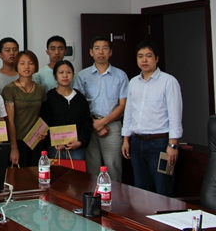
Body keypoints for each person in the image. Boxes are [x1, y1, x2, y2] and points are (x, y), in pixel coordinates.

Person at [121, 41, 183, 197]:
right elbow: (129, 112)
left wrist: (173, 145)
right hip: (136, 142)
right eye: (140, 56)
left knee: (163, 188)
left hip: (159, 143)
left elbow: (175, 114)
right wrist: (126, 139)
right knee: (141, 189)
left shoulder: (168, 81)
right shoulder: (133, 82)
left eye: (148, 56)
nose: (144, 60)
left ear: (157, 59)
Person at [74, 36, 128, 181]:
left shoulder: (120, 75)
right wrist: (94, 123)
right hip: (89, 125)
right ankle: (95, 196)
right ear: (91, 52)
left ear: (110, 52)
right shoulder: (83, 75)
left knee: (113, 168)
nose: (101, 52)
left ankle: (114, 195)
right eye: (97, 48)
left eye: (105, 48)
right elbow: (79, 104)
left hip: (112, 126)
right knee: (92, 169)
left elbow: (123, 105)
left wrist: (102, 123)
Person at [2, 50, 47, 167]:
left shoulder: (40, 89)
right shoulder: (9, 89)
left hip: (36, 140)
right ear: (16, 66)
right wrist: (14, 148)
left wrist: (44, 131)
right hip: (18, 141)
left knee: (36, 174)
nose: (26, 67)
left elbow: (43, 114)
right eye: (22, 63)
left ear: (35, 66)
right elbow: (10, 121)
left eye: (30, 63)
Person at [41, 60, 92, 161]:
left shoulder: (80, 98)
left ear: (73, 75)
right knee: (56, 172)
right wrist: (53, 140)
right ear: (55, 76)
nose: (65, 76)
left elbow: (87, 122)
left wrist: (80, 142)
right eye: (61, 72)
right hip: (55, 148)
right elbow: (45, 122)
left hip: (77, 148)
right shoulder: (49, 97)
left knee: (76, 172)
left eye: (68, 72)